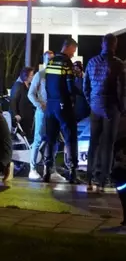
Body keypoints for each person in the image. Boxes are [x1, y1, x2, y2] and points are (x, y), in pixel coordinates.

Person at [84, 33, 126, 193]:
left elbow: (85, 86)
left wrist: (91, 102)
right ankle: (102, 181)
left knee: (93, 143)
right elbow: (121, 89)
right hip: (111, 107)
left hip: (95, 106)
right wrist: (122, 108)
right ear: (114, 45)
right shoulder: (118, 64)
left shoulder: (92, 62)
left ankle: (89, 178)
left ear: (102, 44)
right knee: (108, 145)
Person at [44, 38, 81, 184]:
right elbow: (70, 86)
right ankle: (72, 172)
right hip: (63, 104)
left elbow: (47, 83)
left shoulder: (51, 62)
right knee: (70, 136)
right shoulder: (66, 63)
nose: (73, 54)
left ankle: (47, 170)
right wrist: (80, 94)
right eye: (73, 51)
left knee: (50, 138)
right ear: (69, 47)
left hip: (50, 105)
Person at [27, 52, 66, 182]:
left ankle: (49, 168)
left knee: (53, 140)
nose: (50, 61)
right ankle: (32, 169)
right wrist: (40, 105)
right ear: (44, 60)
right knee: (38, 139)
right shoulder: (40, 74)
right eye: (48, 59)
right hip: (42, 112)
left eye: (52, 59)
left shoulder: (56, 75)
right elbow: (30, 94)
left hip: (54, 111)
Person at [10, 67, 35, 141]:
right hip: (21, 118)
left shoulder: (29, 86)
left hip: (28, 117)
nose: (32, 77)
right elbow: (13, 100)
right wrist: (15, 114)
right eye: (31, 75)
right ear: (25, 76)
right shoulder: (18, 86)